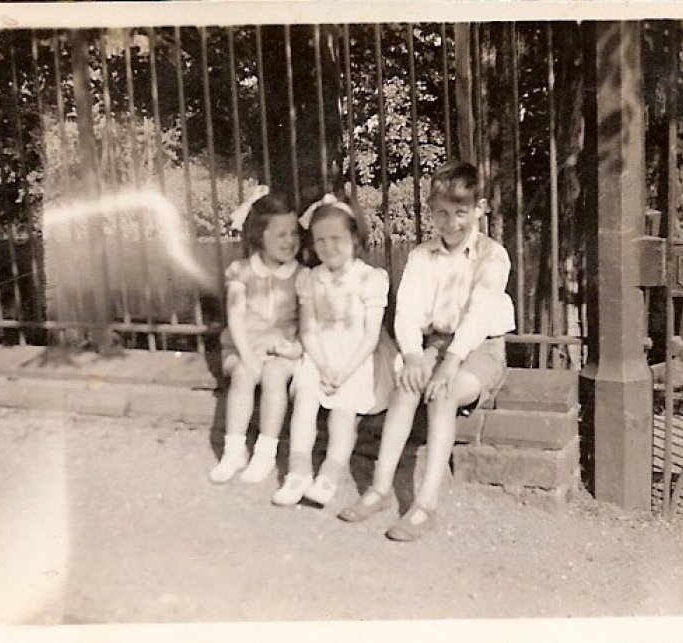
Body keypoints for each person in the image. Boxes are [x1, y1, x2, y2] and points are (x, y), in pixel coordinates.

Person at [338, 160, 515, 541]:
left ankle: (426, 505)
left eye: (460, 213)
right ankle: (379, 490)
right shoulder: (421, 256)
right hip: (435, 345)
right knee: (406, 387)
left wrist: (450, 364)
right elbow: (407, 311)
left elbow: (479, 316)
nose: (451, 223)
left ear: (480, 209)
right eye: (442, 213)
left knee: (441, 395)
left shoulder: (492, 256)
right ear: (431, 211)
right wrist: (414, 356)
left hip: (480, 349)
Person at [272, 194, 391, 507]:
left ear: (354, 238)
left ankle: (329, 474)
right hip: (320, 354)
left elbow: (371, 335)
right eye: (320, 240)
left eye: (336, 239)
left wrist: (344, 371)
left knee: (343, 411)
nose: (328, 247)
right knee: (305, 399)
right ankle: (298, 471)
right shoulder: (311, 279)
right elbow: (308, 330)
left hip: (357, 358)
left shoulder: (369, 278)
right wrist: (323, 366)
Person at [209, 187, 304, 484]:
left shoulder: (302, 275)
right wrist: (248, 356)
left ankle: (265, 452)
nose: (290, 241)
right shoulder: (241, 272)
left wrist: (295, 348)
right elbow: (236, 316)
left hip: (282, 350)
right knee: (242, 374)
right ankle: (234, 450)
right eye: (281, 234)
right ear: (260, 236)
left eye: (294, 233)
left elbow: (308, 322)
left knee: (274, 375)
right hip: (243, 347)